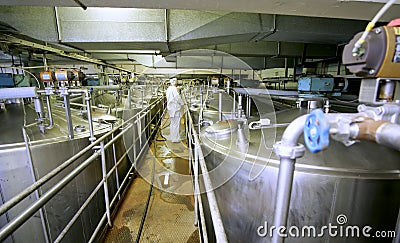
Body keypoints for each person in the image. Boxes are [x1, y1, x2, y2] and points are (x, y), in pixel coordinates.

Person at [166, 78, 184, 143]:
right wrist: (183, 103)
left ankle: (173, 137)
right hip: (175, 109)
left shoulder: (168, 89)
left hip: (171, 108)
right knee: (176, 124)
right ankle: (175, 139)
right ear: (175, 83)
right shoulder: (174, 89)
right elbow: (177, 97)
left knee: (173, 124)